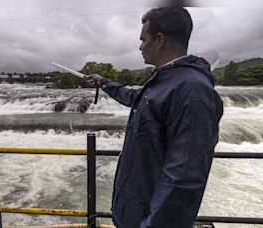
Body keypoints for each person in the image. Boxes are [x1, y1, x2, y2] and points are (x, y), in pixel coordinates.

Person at [88, 7, 223, 228]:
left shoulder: (192, 92)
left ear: (159, 40)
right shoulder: (164, 82)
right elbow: (132, 96)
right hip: (135, 212)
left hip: (149, 219)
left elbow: (183, 179)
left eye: (143, 39)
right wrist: (104, 82)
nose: (140, 46)